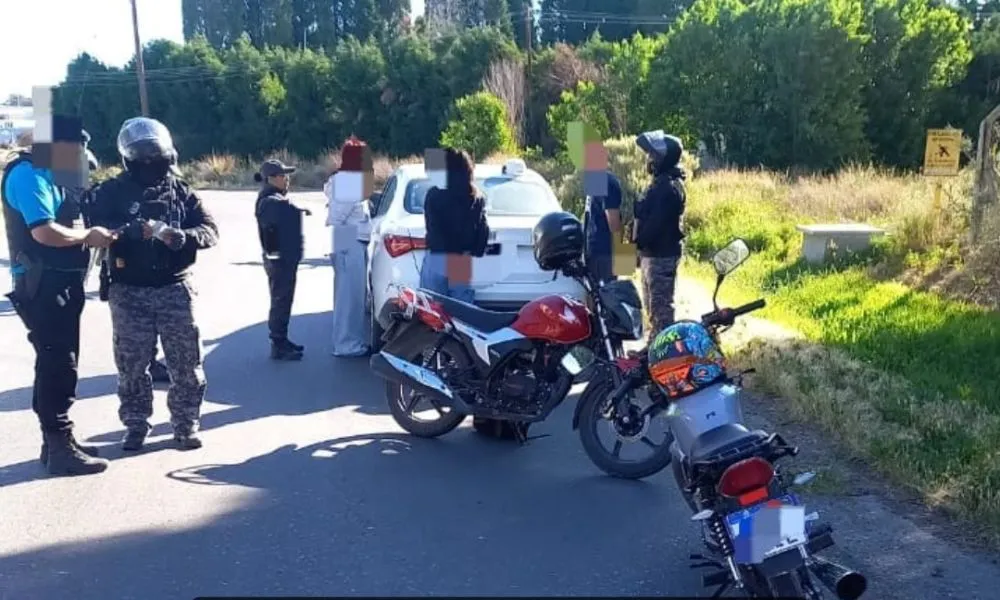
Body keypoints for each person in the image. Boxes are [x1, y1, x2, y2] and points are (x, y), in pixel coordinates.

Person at [90, 117, 219, 451]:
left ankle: (186, 423)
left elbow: (210, 231)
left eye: (155, 157)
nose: (150, 164)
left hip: (174, 288)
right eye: (142, 158)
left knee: (185, 364)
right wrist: (124, 231)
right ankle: (135, 424)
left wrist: (183, 237)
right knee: (132, 365)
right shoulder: (109, 192)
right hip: (129, 291)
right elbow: (93, 227)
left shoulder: (181, 192)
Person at [2, 127, 116, 476]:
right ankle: (59, 445)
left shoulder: (50, 174)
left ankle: (54, 443)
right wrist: (88, 236)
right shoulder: (27, 173)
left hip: (60, 281)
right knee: (57, 363)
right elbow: (44, 231)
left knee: (59, 361)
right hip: (43, 285)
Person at [634, 130, 686, 341]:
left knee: (661, 310)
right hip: (651, 255)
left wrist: (637, 243)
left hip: (661, 256)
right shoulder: (659, 185)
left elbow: (655, 225)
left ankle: (664, 353)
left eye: (653, 156)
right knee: (651, 308)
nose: (649, 160)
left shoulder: (669, 188)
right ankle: (654, 349)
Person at [255, 158, 309, 361]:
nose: (287, 180)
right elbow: (272, 230)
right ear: (271, 178)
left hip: (283, 259)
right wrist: (291, 209)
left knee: (284, 299)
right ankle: (278, 343)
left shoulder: (274, 199)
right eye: (283, 176)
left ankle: (282, 340)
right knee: (280, 300)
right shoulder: (270, 201)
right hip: (279, 260)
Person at [420, 147, 489, 304]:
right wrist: (474, 250)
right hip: (461, 259)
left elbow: (432, 228)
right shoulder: (475, 197)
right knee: (461, 312)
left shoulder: (434, 195)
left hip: (437, 257)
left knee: (431, 310)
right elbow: (483, 231)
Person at [325, 139, 371, 357]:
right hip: (348, 240)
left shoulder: (347, 180)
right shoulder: (349, 182)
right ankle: (346, 344)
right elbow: (337, 217)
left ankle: (350, 342)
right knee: (349, 297)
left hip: (348, 240)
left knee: (351, 295)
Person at [583, 170, 623, 285]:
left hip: (605, 253)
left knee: (607, 294)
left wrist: (621, 256)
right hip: (592, 251)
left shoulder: (608, 183)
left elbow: (614, 224)